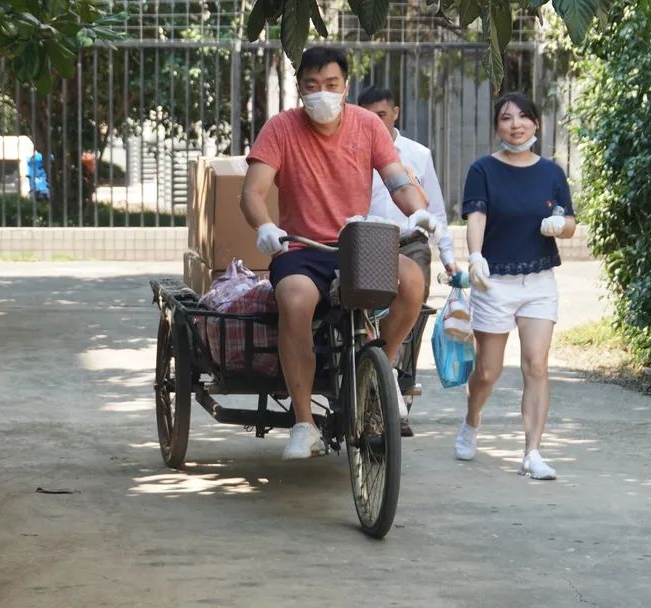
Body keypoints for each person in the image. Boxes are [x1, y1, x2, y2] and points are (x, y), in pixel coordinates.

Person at [240, 47, 440, 460]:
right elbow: (252, 192)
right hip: (300, 247)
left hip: (356, 243)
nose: (322, 93)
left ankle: (379, 371)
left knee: (412, 280)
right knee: (295, 300)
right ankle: (304, 423)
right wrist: (264, 226)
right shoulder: (280, 128)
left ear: (346, 87)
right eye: (312, 85)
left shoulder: (368, 125)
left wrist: (417, 210)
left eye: (331, 84)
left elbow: (397, 181)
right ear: (300, 89)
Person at [454, 92, 575, 480]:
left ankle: (532, 452)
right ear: (497, 127)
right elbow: (476, 217)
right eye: (506, 118)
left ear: (536, 123)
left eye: (523, 117)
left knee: (536, 364)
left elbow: (569, 221)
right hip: (494, 282)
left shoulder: (552, 173)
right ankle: (472, 419)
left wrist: (561, 226)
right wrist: (475, 255)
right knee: (488, 372)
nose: (516, 124)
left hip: (538, 280)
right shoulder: (483, 170)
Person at [358, 85, 457, 437]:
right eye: (367, 116)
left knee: (410, 317)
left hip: (410, 241)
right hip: (366, 241)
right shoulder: (353, 150)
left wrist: (448, 256)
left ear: (396, 113)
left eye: (381, 116)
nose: (375, 122)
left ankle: (399, 400)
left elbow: (436, 211)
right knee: (363, 315)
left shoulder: (417, 154)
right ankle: (369, 394)